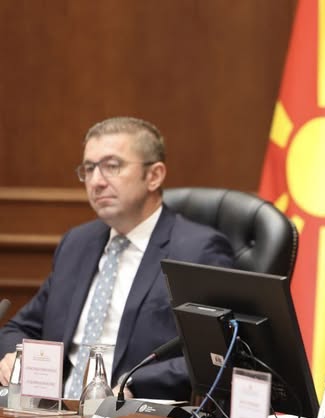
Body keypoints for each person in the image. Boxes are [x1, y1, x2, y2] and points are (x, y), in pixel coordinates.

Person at [0, 117, 234, 400]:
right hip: (53, 412)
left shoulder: (197, 250)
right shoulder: (77, 243)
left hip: (134, 416)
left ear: (154, 176)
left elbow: (218, 354)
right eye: (89, 169)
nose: (96, 182)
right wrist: (15, 355)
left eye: (112, 166)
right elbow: (21, 327)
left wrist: (133, 385)